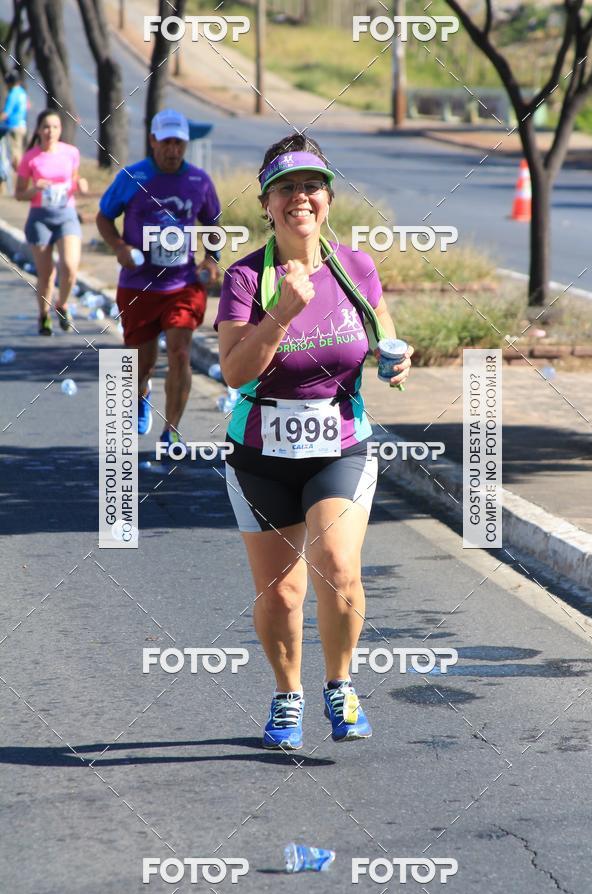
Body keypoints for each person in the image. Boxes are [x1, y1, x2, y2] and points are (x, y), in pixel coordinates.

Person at [215, 134, 413, 749]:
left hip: (340, 444)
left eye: (311, 186)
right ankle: (287, 694)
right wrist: (281, 314)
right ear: (267, 204)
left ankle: (339, 684)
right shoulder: (246, 277)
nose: (300, 197)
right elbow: (233, 371)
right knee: (281, 590)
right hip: (260, 455)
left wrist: (393, 359)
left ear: (327, 199)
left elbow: (384, 338)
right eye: (286, 189)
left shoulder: (357, 267)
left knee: (339, 569)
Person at [97, 109, 221, 448]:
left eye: (178, 143)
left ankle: (172, 432)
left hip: (182, 283)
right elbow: (104, 218)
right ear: (153, 141)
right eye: (166, 142)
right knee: (142, 362)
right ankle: (141, 392)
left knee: (181, 352)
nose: (173, 150)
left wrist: (212, 260)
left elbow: (213, 224)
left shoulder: (199, 181)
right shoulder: (132, 177)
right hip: (139, 286)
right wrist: (119, 247)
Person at [15, 109, 88, 336]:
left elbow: (74, 180)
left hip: (66, 214)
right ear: (38, 130)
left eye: (55, 127)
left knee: (70, 267)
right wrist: (35, 189)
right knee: (46, 275)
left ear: (60, 130)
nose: (50, 131)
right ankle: (43, 316)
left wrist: (81, 185)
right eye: (46, 127)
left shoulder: (71, 153)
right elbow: (19, 194)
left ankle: (62, 305)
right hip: (40, 218)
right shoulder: (31, 158)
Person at [1, 71, 28, 170]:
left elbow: (6, 113)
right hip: (22, 125)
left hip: (13, 126)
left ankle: (17, 175)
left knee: (14, 154)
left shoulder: (12, 94)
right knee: (18, 150)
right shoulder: (22, 92)